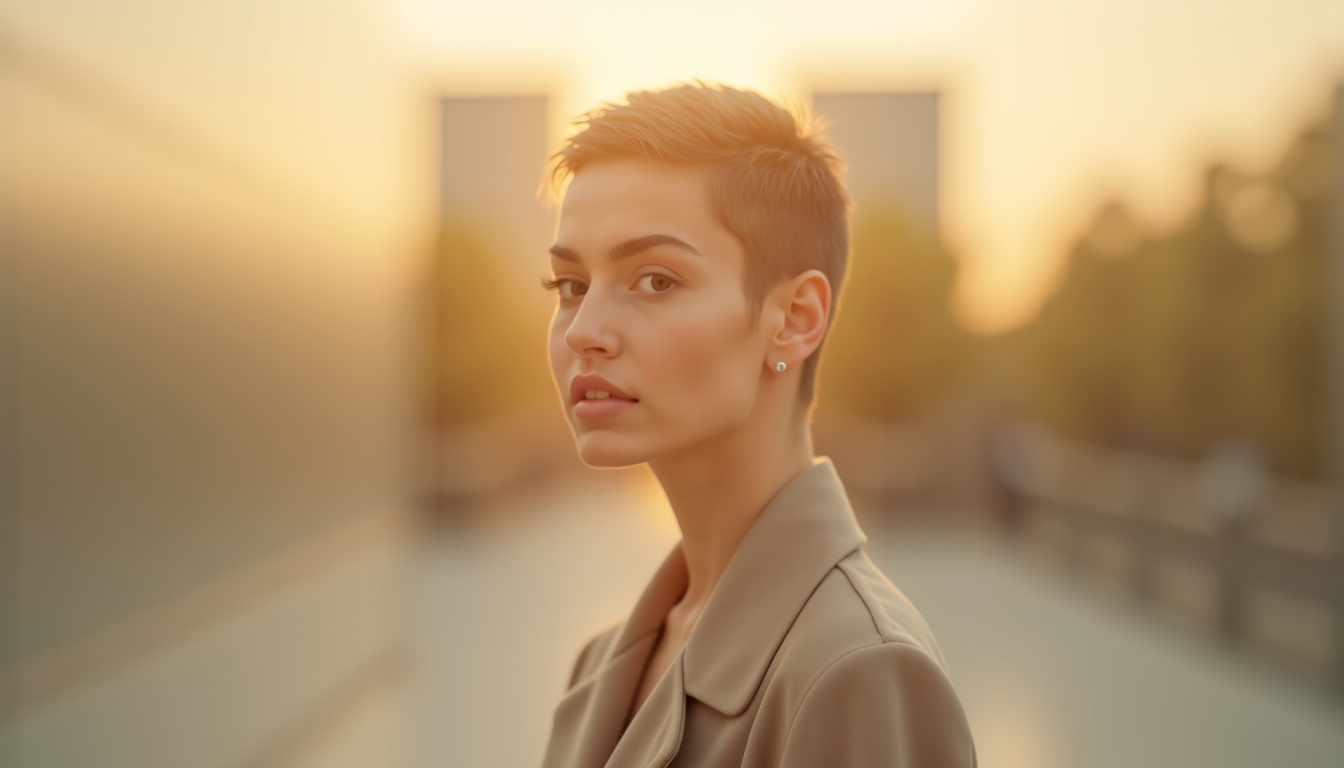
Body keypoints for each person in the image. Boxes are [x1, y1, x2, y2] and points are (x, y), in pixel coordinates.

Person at [538, 80, 977, 768]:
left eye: (655, 280)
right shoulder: (603, 663)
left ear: (796, 318)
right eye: (570, 286)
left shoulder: (857, 670)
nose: (584, 331)